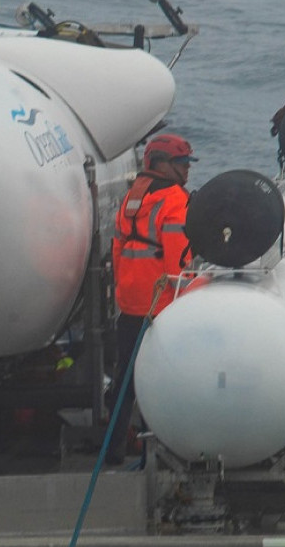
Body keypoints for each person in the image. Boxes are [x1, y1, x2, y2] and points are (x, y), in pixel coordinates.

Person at [107, 133, 196, 464]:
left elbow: (118, 250)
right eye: (182, 163)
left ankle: (114, 451)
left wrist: (123, 290)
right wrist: (190, 298)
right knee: (159, 382)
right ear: (161, 164)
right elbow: (179, 262)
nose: (187, 170)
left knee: (125, 384)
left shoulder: (132, 197)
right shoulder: (174, 200)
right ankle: (155, 454)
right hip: (161, 307)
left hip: (130, 303)